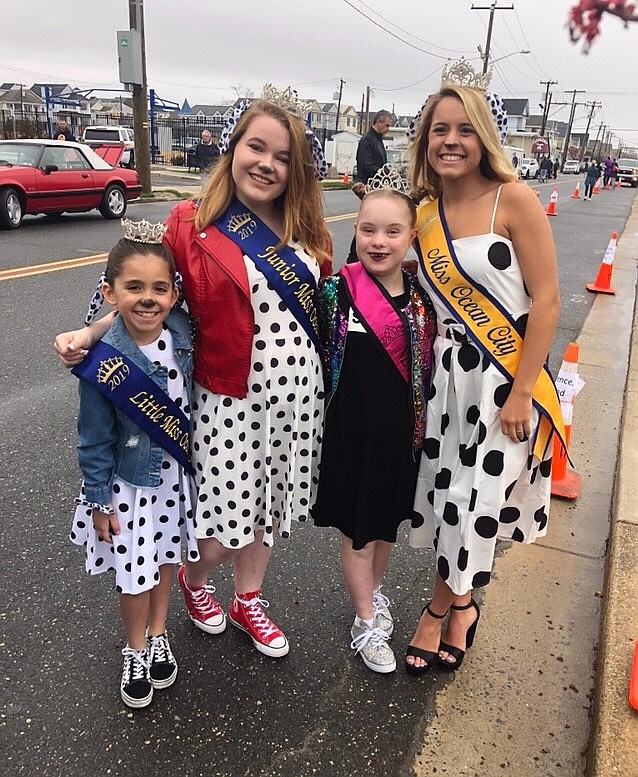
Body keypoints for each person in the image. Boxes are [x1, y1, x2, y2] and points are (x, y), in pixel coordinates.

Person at [55, 98, 333, 661]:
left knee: (267, 511)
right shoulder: (191, 221)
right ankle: (193, 578)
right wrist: (91, 334)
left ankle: (248, 599)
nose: (266, 164)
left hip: (297, 399)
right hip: (229, 396)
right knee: (226, 519)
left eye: (283, 157)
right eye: (255, 147)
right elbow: (151, 296)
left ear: (295, 169)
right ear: (233, 148)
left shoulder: (308, 227)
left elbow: (326, 308)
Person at [404, 70, 565, 675]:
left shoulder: (514, 199)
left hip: (504, 380)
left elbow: (546, 300)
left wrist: (523, 391)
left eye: (465, 130)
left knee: (475, 501)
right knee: (451, 498)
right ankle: (464, 604)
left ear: (485, 138)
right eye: (439, 129)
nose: (451, 140)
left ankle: (438, 609)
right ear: (424, 140)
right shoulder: (423, 211)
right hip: (448, 379)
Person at [69, 221, 198, 708]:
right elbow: (93, 440)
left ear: (174, 295)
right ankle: (135, 647)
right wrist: (99, 500)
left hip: (174, 481)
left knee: (165, 561)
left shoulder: (182, 332)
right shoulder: (103, 360)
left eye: (159, 289)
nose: (148, 299)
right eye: (134, 287)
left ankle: (160, 632)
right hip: (128, 488)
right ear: (110, 291)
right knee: (133, 574)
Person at [313, 177, 436, 673]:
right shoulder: (335, 292)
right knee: (359, 535)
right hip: (352, 438)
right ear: (356, 232)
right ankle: (365, 620)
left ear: (410, 237)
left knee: (385, 528)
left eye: (391, 231)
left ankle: (376, 594)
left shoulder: (424, 298)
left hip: (401, 441)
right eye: (368, 230)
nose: (378, 242)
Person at [347, 110, 393, 263]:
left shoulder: (378, 140)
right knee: (366, 222)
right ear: (378, 122)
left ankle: (361, 256)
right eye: (386, 125)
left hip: (378, 188)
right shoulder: (367, 140)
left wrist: (388, 172)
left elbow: (380, 164)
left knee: (373, 223)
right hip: (368, 189)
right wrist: (384, 172)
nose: (388, 129)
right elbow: (366, 166)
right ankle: (353, 258)